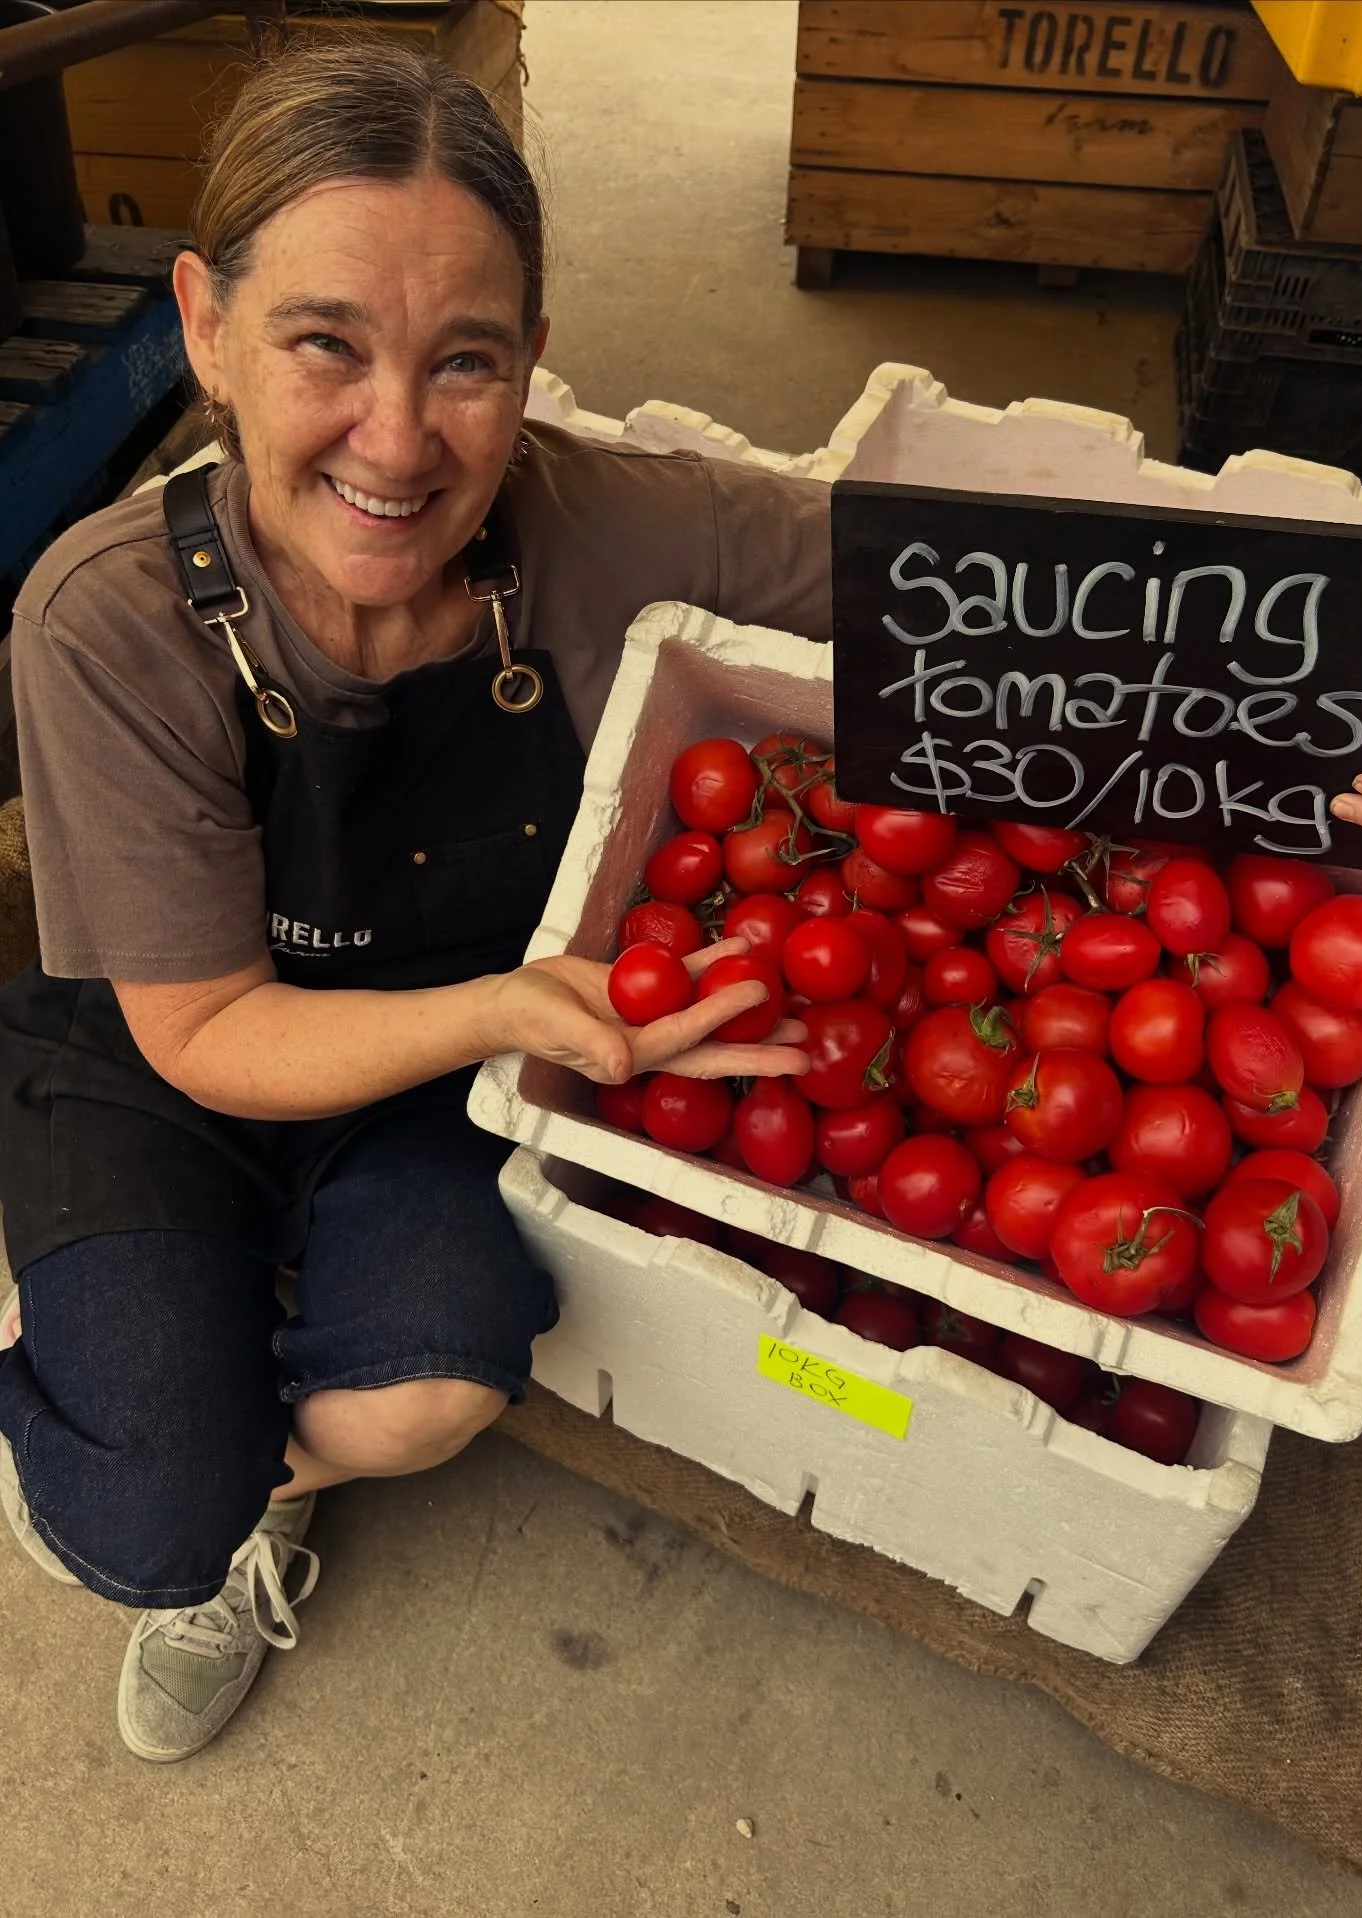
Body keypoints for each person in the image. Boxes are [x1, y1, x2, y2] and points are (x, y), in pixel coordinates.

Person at [0, 40, 824, 1763]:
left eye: (466, 360)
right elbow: (208, 1024)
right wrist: (517, 1012)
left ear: (531, 360)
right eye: (324, 344)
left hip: (427, 1067)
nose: (398, 436)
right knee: (150, 1511)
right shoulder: (108, 620)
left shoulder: (600, 520)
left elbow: (930, 567)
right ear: (205, 328)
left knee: (444, 1377)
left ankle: (258, 1458)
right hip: (164, 1052)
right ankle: (163, 1421)